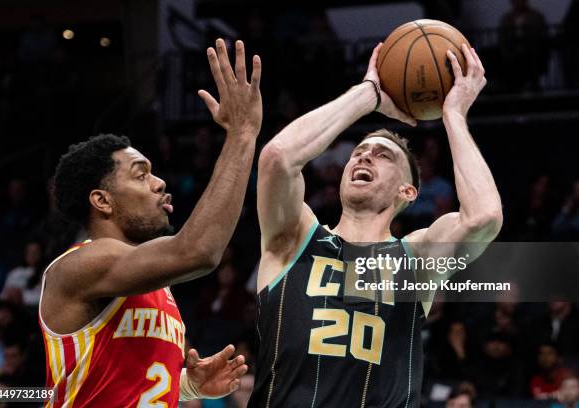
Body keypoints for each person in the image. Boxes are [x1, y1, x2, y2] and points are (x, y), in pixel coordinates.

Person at [249, 42, 502, 407]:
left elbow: (484, 217)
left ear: (408, 191)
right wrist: (367, 94)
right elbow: (277, 158)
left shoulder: (415, 261)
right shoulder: (295, 238)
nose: (365, 154)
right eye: (358, 151)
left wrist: (454, 116)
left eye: (383, 155)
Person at [39, 38, 262, 406]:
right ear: (102, 200)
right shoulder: (82, 264)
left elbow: (122, 381)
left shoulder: (152, 284)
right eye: (141, 175)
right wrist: (242, 134)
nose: (159, 184)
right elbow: (200, 251)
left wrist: (188, 384)